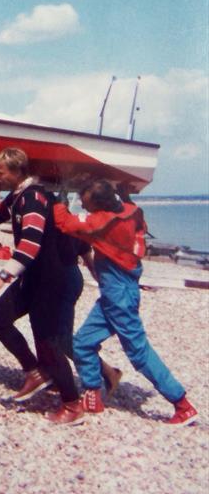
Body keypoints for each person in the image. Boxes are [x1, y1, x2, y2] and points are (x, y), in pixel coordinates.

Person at [54, 179, 198, 426]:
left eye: (88, 206)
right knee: (82, 343)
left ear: (100, 205)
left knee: (138, 352)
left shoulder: (101, 223)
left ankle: (182, 404)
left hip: (118, 295)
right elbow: (134, 213)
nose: (86, 210)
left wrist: (59, 198)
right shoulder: (131, 211)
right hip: (120, 292)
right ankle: (94, 395)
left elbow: (64, 223)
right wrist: (126, 194)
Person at [0, 147, 83, 425]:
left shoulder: (34, 197)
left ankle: (72, 405)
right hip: (33, 276)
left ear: (16, 171)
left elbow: (30, 244)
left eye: (1, 171)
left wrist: (1, 278)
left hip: (52, 279)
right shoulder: (17, 196)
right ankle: (35, 372)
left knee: (48, 343)